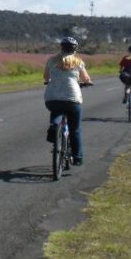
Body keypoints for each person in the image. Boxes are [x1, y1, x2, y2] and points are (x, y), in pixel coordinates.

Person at [43, 37, 92, 166]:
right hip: (72, 98)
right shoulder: (78, 62)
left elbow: (46, 77)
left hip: (52, 97)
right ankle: (77, 157)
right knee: (75, 129)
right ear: (75, 49)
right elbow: (86, 78)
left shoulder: (51, 60)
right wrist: (87, 82)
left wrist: (50, 80)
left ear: (61, 47)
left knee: (56, 109)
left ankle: (54, 125)